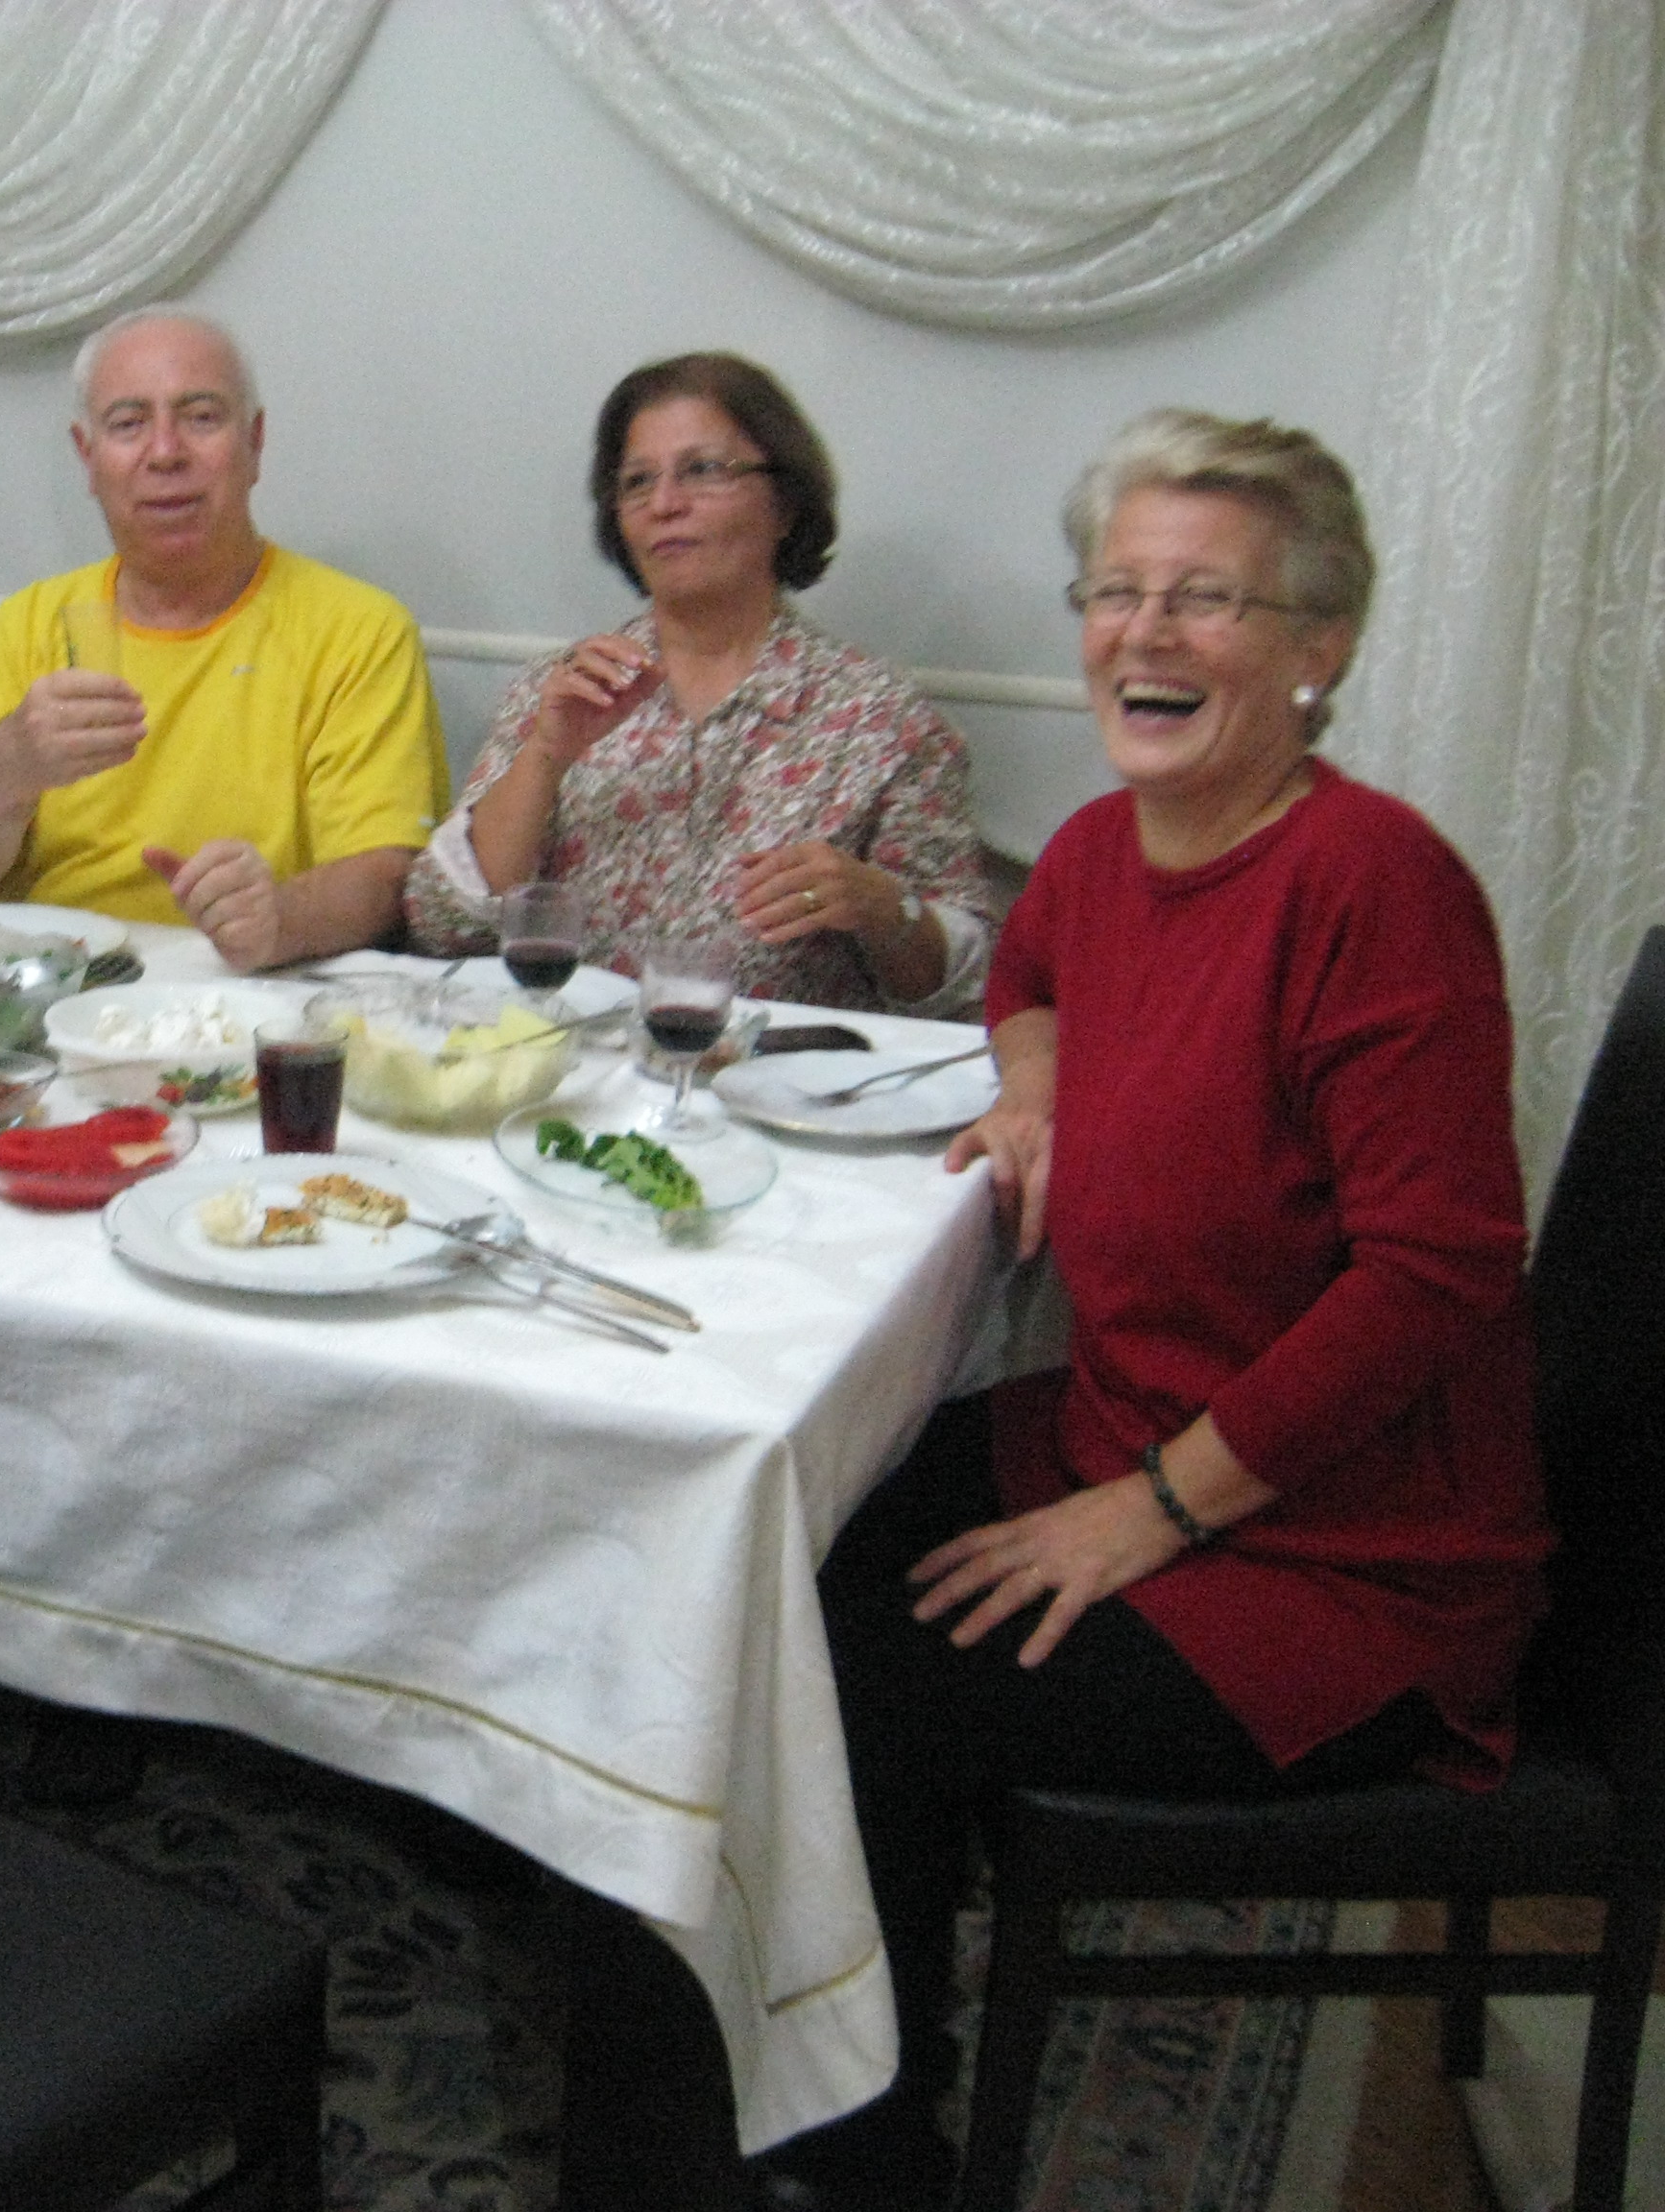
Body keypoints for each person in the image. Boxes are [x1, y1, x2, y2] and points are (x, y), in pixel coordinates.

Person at [767, 411, 1553, 2211]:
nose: (1144, 632)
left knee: (868, 1682)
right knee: (792, 1523)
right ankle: (821, 1985)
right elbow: (1032, 969)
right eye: (1116, 591)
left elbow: (1436, 1273)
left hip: (1343, 1552)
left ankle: (869, 2156)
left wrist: (1152, 1510)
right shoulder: (1110, 850)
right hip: (1126, 1422)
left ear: (1317, 648)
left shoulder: (1375, 884)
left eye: (1205, 598)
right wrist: (1035, 1084)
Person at [405, 354, 992, 1014]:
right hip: (566, 1060)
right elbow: (441, 927)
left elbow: (960, 992)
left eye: (703, 471)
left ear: (786, 504)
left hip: (776, 1069)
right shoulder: (564, 690)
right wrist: (544, 755)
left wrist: (885, 908)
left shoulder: (883, 721)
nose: (664, 505)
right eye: (637, 482)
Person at [0, 307, 448, 972]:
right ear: (87, 457)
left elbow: (385, 878)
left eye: (201, 417)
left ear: (254, 444)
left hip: (252, 993)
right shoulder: (29, 625)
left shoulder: (358, 631)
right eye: (128, 424)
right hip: (51, 986)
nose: (165, 453)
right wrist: (7, 763)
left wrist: (278, 918)